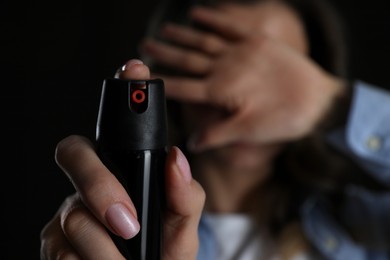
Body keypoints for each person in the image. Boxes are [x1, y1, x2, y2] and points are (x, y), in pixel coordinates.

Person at [40, 0, 390, 259]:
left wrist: (333, 104)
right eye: (219, 65)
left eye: (270, 74)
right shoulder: (142, 232)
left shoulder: (366, 229)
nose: (239, 101)